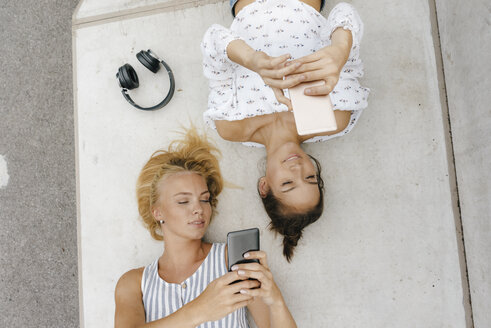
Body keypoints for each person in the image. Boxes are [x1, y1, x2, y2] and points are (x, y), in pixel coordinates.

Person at [201, 0, 369, 261]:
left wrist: (252, 60)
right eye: (311, 178)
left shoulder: (231, 126)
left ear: (265, 186)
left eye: (288, 183)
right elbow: (343, 13)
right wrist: (340, 50)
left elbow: (213, 41)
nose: (298, 169)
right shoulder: (333, 118)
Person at [114, 128, 297, 328]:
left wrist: (276, 300)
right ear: (157, 212)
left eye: (204, 199)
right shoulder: (133, 283)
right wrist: (200, 310)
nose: (198, 209)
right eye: (183, 201)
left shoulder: (233, 262)